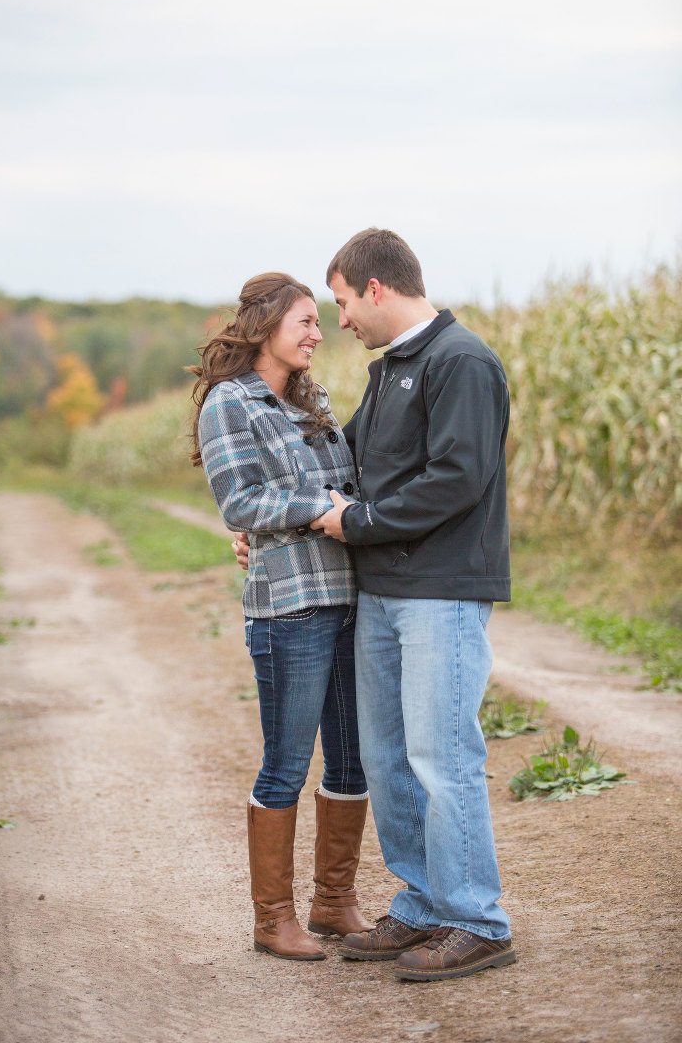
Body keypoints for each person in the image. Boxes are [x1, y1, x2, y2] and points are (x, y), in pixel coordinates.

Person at [234, 229, 516, 982]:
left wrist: (352, 522)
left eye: (345, 301)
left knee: (441, 756)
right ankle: (423, 904)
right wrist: (275, 525)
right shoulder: (394, 369)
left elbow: (456, 478)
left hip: (441, 593)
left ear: (378, 289)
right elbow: (349, 469)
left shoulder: (462, 362)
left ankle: (476, 919)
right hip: (383, 594)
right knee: (388, 758)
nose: (343, 320)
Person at [189, 272, 373, 963]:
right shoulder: (228, 406)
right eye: (306, 321)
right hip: (289, 608)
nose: (319, 334)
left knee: (352, 761)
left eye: (321, 321)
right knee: (287, 764)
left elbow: (347, 485)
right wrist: (316, 510)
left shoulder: (311, 397)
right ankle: (273, 919)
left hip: (347, 598)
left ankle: (334, 902)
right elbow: (241, 505)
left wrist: (334, 506)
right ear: (268, 324)